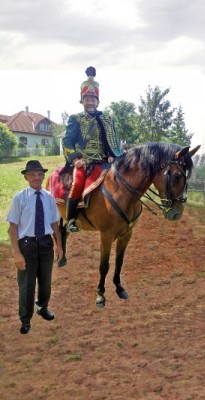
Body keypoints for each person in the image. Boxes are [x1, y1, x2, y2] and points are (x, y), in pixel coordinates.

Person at [62, 66, 122, 232]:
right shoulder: (75, 119)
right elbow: (67, 142)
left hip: (103, 161)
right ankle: (71, 219)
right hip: (83, 161)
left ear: (98, 101)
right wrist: (75, 160)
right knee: (78, 182)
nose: (90, 102)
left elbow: (112, 141)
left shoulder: (106, 120)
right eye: (87, 99)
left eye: (93, 99)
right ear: (82, 101)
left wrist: (111, 155)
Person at [6, 160, 63, 334]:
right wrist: (17, 253)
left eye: (39, 174)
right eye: (32, 175)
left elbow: (54, 224)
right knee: (27, 284)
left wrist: (59, 246)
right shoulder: (19, 198)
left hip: (45, 244)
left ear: (43, 176)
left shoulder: (48, 197)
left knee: (46, 281)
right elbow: (13, 228)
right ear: (26, 177)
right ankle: (25, 319)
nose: (36, 178)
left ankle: (42, 307)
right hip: (27, 245)